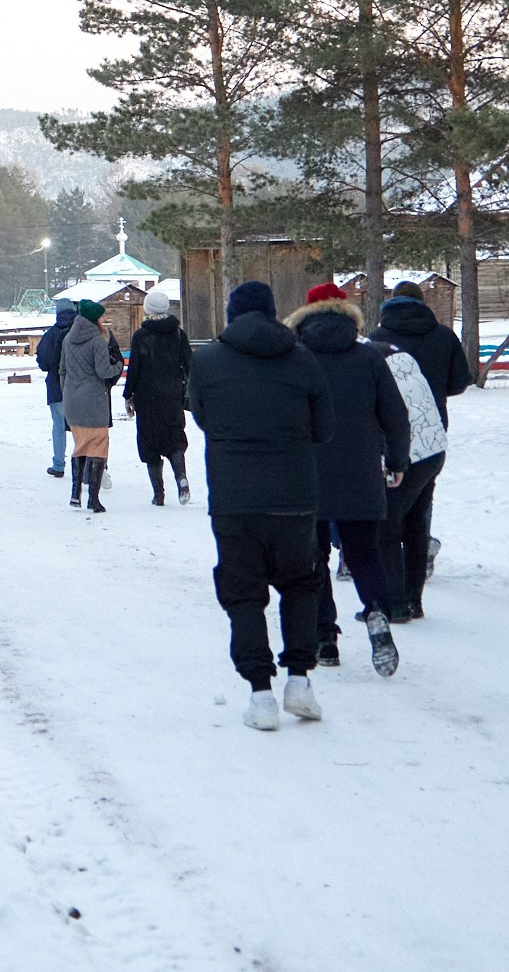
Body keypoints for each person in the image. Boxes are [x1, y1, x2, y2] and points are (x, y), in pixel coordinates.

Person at [187, 279, 334, 731]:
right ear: (273, 312)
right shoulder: (302, 359)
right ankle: (300, 680)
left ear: (231, 314)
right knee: (301, 585)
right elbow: (323, 428)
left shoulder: (207, 360)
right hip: (294, 495)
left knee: (243, 593)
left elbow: (203, 416)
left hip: (234, 498)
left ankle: (260, 693)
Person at [288, 283, 410, 678]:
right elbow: (395, 414)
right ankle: (375, 609)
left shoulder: (295, 358)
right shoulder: (369, 356)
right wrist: (397, 460)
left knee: (314, 559)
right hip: (360, 470)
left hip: (308, 473)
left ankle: (325, 637)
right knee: (364, 552)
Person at [370, 280, 469, 621]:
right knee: (418, 520)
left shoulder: (377, 340)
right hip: (432, 436)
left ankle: (394, 602)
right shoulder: (443, 336)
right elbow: (460, 382)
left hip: (393, 441)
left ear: (391, 304)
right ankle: (414, 598)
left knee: (387, 522)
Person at [125, 287, 193, 506]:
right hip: (172, 396)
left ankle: (159, 494)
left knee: (150, 445)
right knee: (174, 440)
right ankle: (181, 478)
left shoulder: (141, 336)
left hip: (147, 398)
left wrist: (128, 395)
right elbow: (189, 364)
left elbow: (134, 368)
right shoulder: (178, 334)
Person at [61, 299, 124, 512]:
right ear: (94, 319)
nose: (104, 319)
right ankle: (93, 499)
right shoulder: (97, 341)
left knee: (80, 446)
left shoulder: (68, 338)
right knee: (98, 446)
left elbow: (62, 370)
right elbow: (103, 371)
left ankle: (74, 494)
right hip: (94, 402)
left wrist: (67, 391)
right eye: (101, 316)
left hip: (72, 401)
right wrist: (117, 366)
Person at [36, 300, 77, 478]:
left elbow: (43, 362)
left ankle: (59, 464)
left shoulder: (51, 334)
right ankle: (84, 464)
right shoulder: (82, 331)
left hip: (56, 387)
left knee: (58, 426)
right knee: (80, 427)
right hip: (79, 387)